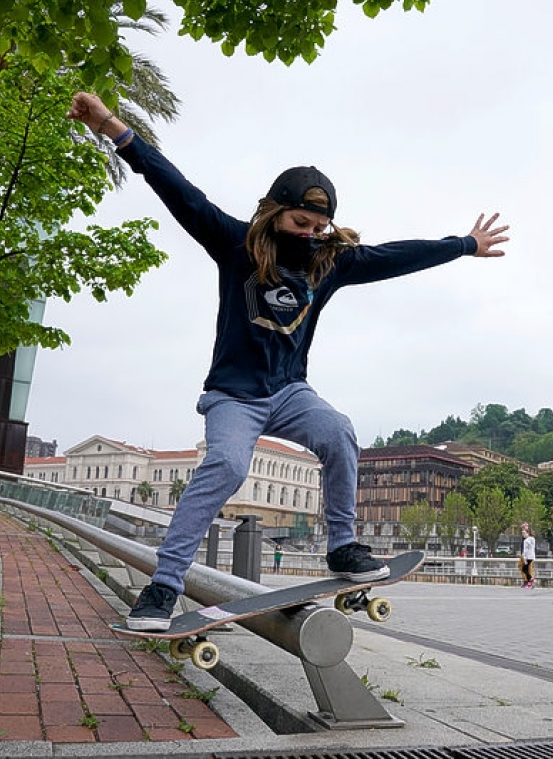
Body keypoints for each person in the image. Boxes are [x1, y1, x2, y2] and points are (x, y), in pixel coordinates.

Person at [66, 92, 510, 632]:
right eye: (300, 222)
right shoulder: (235, 244)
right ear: (276, 212)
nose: (308, 234)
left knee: (339, 432)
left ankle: (342, 546)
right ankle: (163, 587)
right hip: (234, 395)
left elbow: (396, 255)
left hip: (290, 392)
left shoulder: (330, 262)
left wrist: (463, 244)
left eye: (317, 227)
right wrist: (113, 127)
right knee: (227, 465)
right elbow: (178, 190)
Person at [520, 524, 536, 589]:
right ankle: (530, 582)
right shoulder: (532, 539)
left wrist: (524, 558)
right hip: (532, 556)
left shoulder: (526, 541)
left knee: (525, 569)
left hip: (528, 557)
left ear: (528, 533)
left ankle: (531, 580)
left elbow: (525, 550)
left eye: (524, 533)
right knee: (526, 569)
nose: (523, 535)